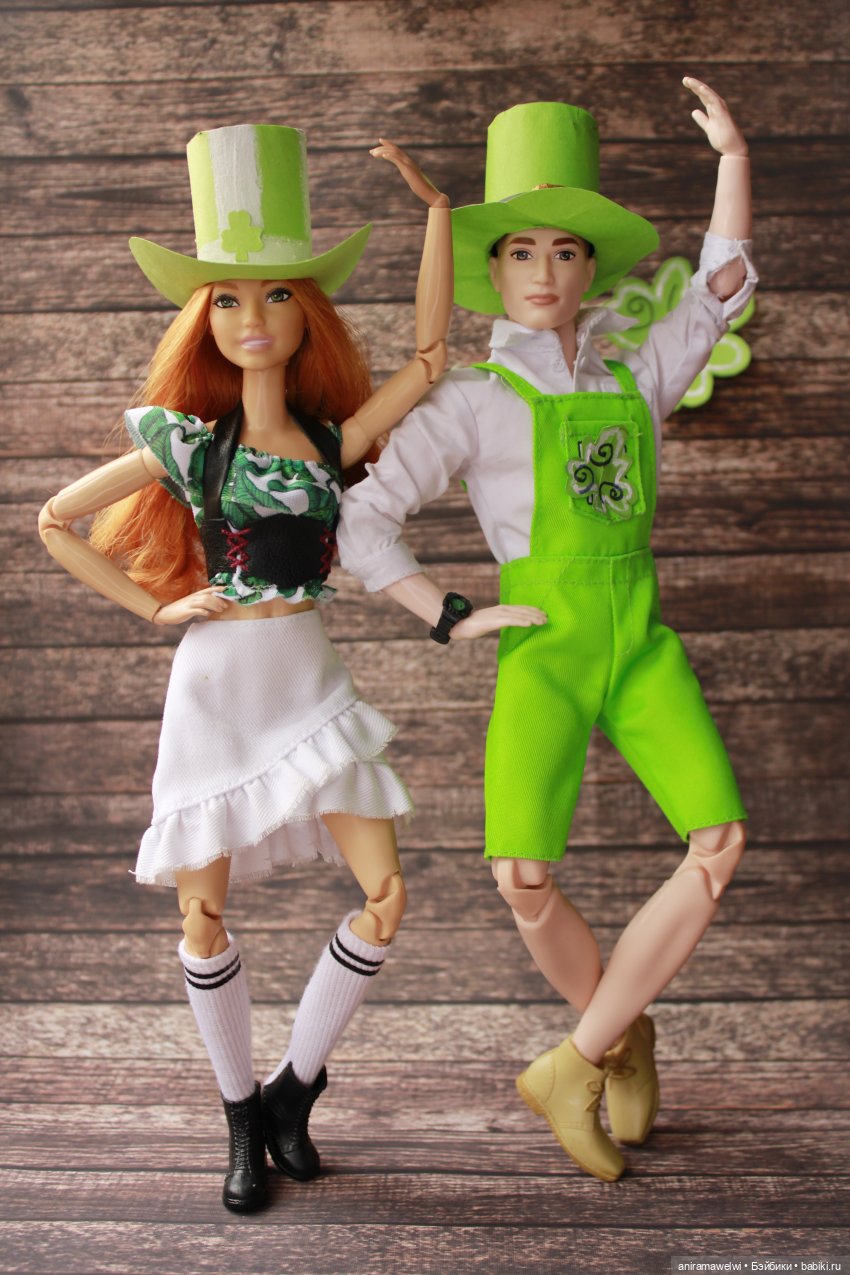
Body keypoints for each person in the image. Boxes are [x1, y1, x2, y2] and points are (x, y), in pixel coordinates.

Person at [337, 79, 755, 1181]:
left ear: (590, 270)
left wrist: (734, 161)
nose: (543, 271)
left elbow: (719, 288)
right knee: (520, 871)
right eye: (521, 251)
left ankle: (574, 1059)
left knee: (718, 841)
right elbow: (363, 519)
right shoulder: (470, 398)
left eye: (565, 251)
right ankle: (619, 1035)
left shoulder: (636, 371)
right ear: (492, 269)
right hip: (547, 640)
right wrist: (451, 613)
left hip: (640, 635)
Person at [38, 122, 458, 1213]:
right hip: (218, 690)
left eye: (275, 295)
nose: (252, 317)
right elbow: (52, 520)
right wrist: (155, 604)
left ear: (306, 312)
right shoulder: (189, 442)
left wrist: (437, 215)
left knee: (385, 893)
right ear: (204, 320)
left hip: (309, 681)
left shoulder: (328, 443)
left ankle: (293, 1091)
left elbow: (429, 362)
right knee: (202, 917)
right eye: (226, 300)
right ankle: (237, 1118)